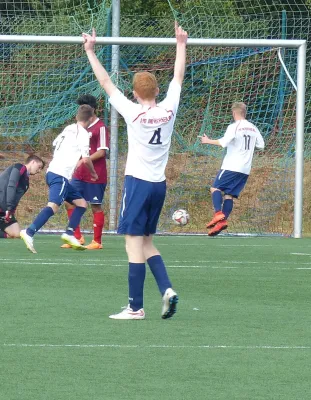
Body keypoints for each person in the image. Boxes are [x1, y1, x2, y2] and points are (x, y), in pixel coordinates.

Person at [82, 21, 188, 320]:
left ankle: (135, 307)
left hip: (138, 183)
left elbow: (105, 82)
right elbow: (178, 76)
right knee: (146, 241)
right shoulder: (169, 108)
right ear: (157, 90)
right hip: (159, 184)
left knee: (132, 242)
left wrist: (90, 51)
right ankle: (166, 289)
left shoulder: (132, 111)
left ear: (134, 92)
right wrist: (181, 44)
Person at [20, 105, 98, 254]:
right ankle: (29, 232)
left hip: (54, 173)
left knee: (81, 203)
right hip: (59, 175)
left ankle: (69, 234)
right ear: (90, 119)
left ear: (76, 117)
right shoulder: (82, 134)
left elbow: (56, 144)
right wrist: (93, 173)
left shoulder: (68, 128)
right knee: (54, 206)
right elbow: (86, 159)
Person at [200, 102, 265, 236]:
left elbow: (223, 143)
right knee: (229, 195)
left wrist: (207, 141)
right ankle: (222, 222)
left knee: (215, 188)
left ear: (234, 113)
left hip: (232, 166)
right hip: (245, 169)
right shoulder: (253, 127)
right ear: (244, 113)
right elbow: (261, 145)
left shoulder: (234, 127)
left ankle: (218, 214)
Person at [61, 94, 110, 250]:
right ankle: (76, 237)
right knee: (69, 202)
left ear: (93, 109)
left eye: (84, 106)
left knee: (95, 206)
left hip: (96, 175)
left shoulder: (100, 127)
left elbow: (102, 152)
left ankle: (97, 241)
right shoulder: (78, 126)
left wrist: (84, 159)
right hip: (78, 174)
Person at [0, 155, 45, 239]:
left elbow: (16, 198)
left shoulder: (26, 183)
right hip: (3, 206)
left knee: (16, 234)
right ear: (33, 162)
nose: (39, 171)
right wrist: (9, 208)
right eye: (39, 167)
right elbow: (11, 185)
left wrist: (11, 211)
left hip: (5, 209)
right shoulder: (19, 167)